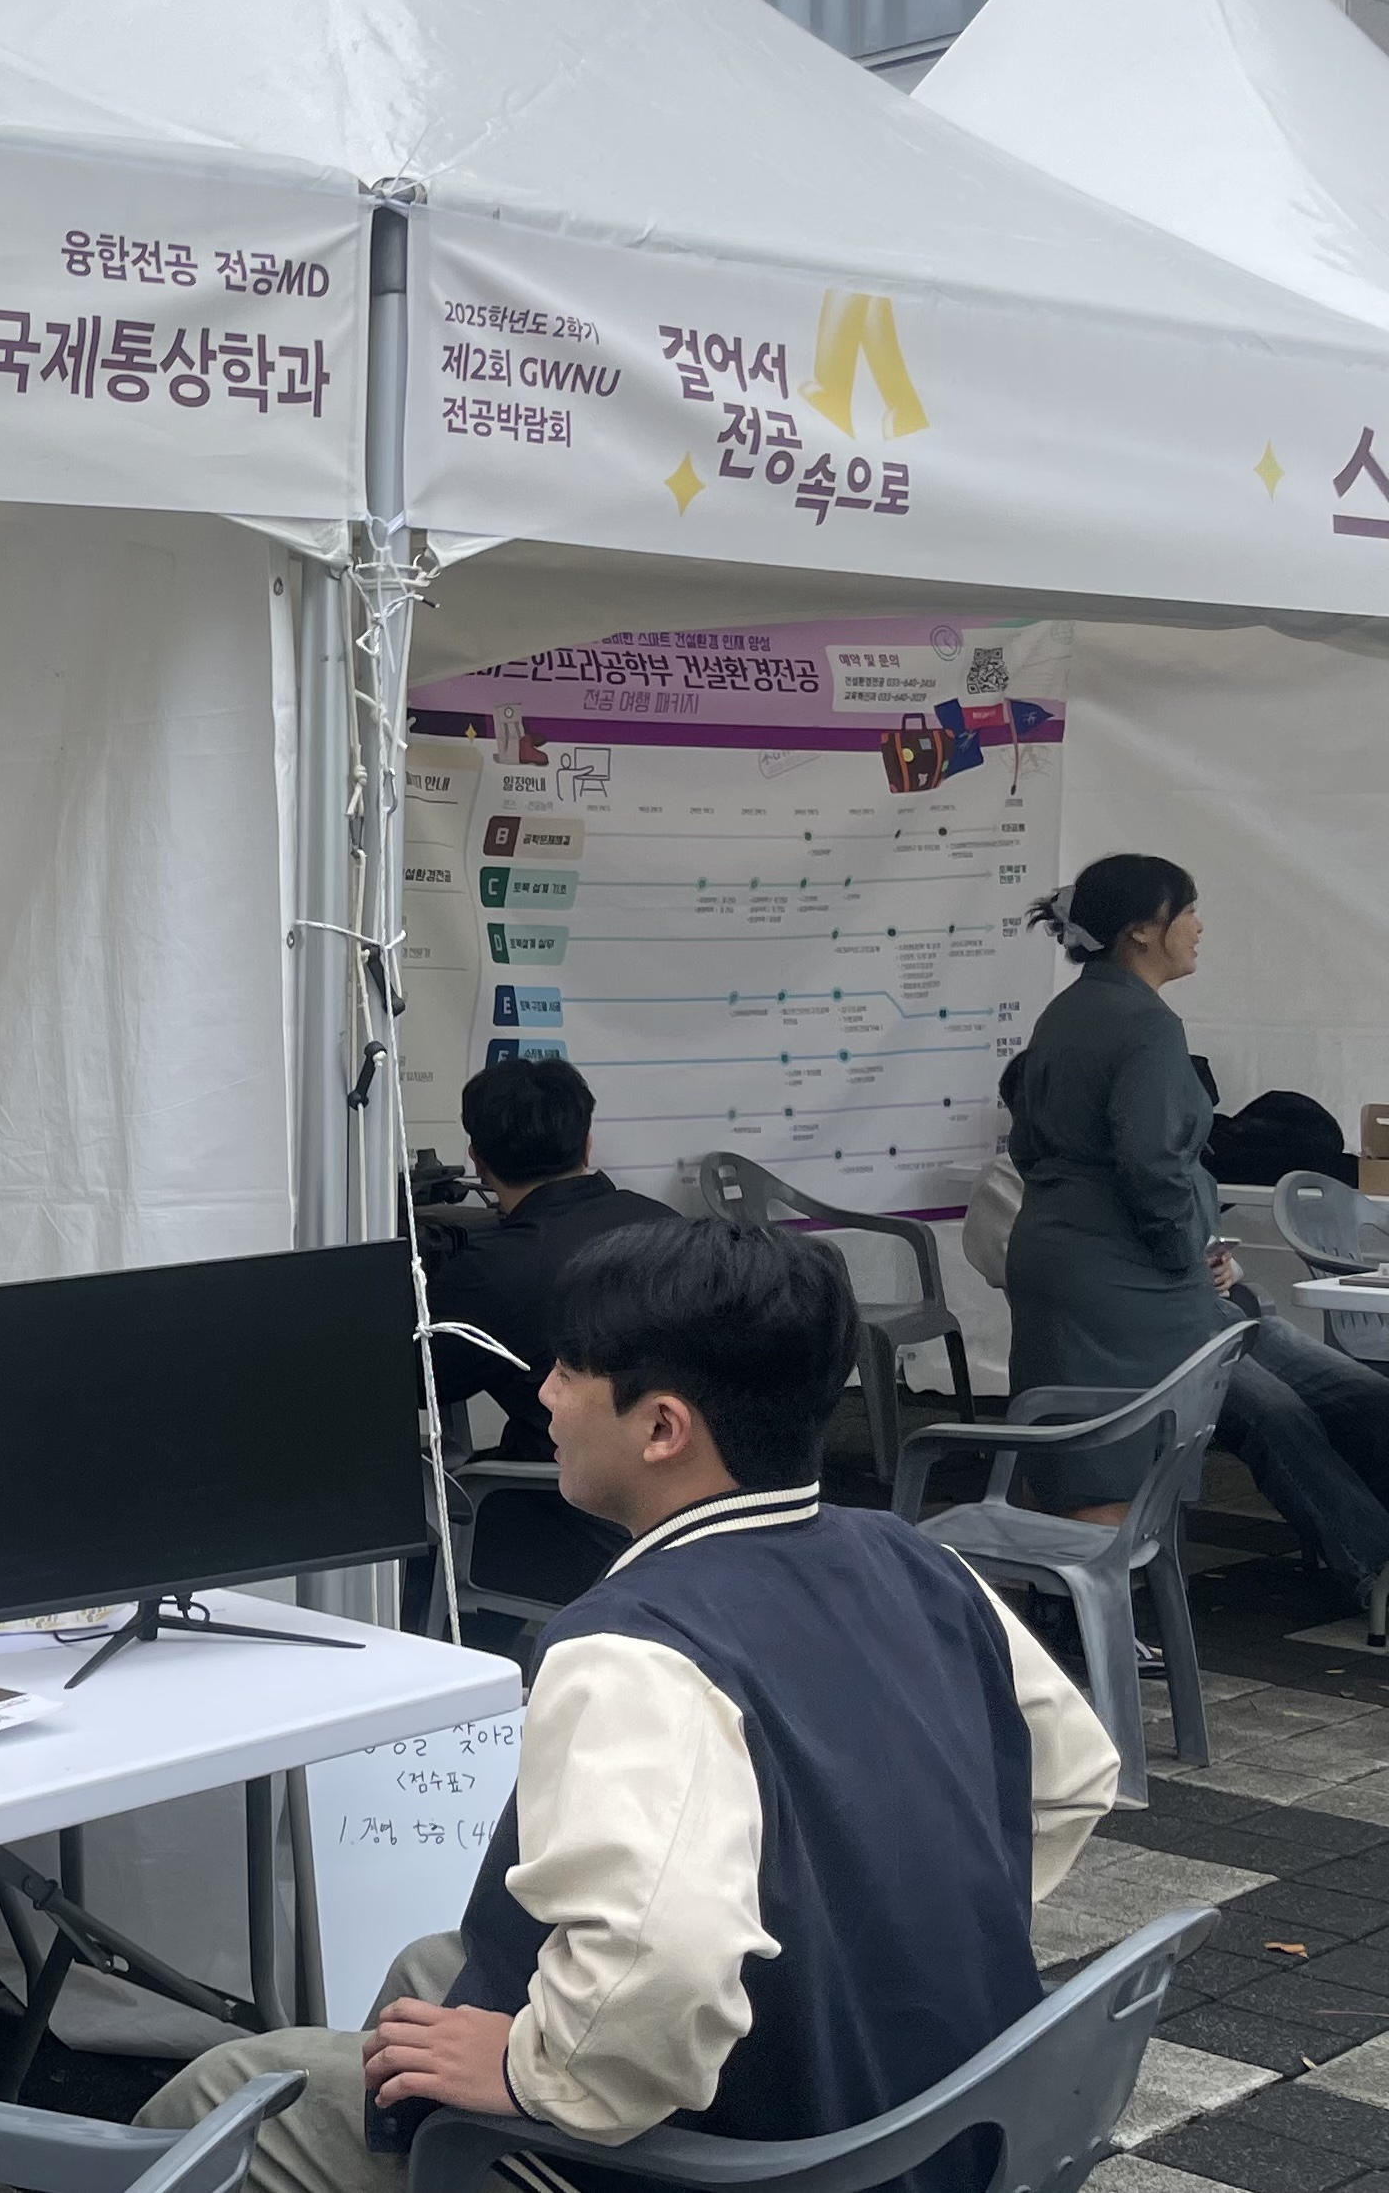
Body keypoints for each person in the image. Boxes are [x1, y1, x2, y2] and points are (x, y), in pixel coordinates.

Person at [140, 1219, 1123, 2193]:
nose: (544, 1394)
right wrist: (885, 1943)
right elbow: (1076, 1778)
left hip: (765, 2156)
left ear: (661, 1428)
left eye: (569, 1370)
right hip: (943, 2110)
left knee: (226, 2091)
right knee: (427, 1972)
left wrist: (536, 2074)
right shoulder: (919, 1559)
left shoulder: (634, 1648)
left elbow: (673, 1956)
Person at [1003, 859, 1389, 1606]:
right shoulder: (1146, 1024)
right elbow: (1151, 1164)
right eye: (1187, 912)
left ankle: (1069, 1610)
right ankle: (1094, 1618)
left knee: (1082, 1440)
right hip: (1132, 1276)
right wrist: (1188, 1253)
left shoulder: (1066, 1013)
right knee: (1128, 1450)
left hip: (1068, 1257)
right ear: (1142, 931)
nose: (1199, 927)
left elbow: (1037, 1147)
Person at [420, 1058, 680, 1613]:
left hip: (579, 1511)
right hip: (686, 1498)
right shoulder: (667, 1224)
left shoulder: (497, 1269)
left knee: (420, 1539)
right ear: (587, 1143)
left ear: (478, 1159)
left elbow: (412, 1383)